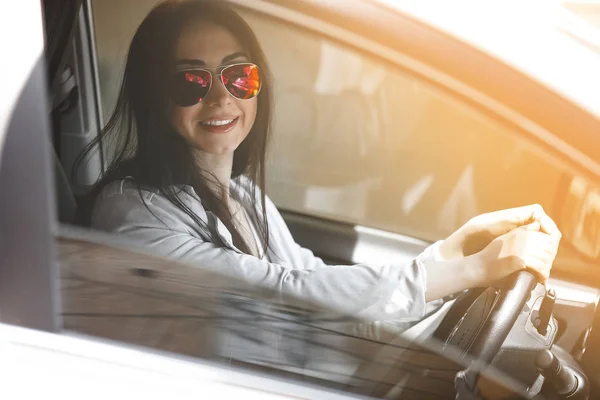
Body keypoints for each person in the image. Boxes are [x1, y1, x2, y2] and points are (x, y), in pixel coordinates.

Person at [76, 0, 561, 336]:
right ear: (152, 95)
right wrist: (472, 269)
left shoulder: (241, 194)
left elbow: (316, 280)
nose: (221, 96)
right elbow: (290, 294)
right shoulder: (133, 213)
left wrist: (453, 251)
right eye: (191, 81)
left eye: (238, 75)